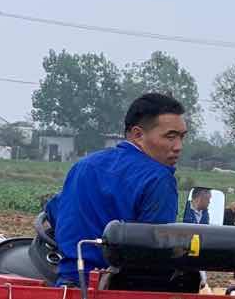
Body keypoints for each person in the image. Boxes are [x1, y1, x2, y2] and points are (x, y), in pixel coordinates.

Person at [46, 93, 185, 285]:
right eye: (170, 136)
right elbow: (156, 252)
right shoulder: (158, 178)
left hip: (67, 287)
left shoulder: (84, 165)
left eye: (181, 137)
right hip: (118, 294)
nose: (178, 146)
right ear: (138, 135)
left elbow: (54, 211)